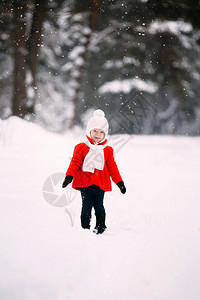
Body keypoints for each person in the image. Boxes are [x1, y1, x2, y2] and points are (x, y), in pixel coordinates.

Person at [62, 109, 126, 234]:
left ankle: (101, 226)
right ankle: (85, 228)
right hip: (85, 183)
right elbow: (74, 163)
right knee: (86, 206)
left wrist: (120, 183)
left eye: (101, 132)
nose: (98, 134)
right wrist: (69, 176)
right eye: (95, 131)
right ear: (89, 131)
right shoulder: (81, 147)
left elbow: (113, 168)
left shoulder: (107, 150)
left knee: (99, 206)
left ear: (105, 134)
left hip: (100, 184)